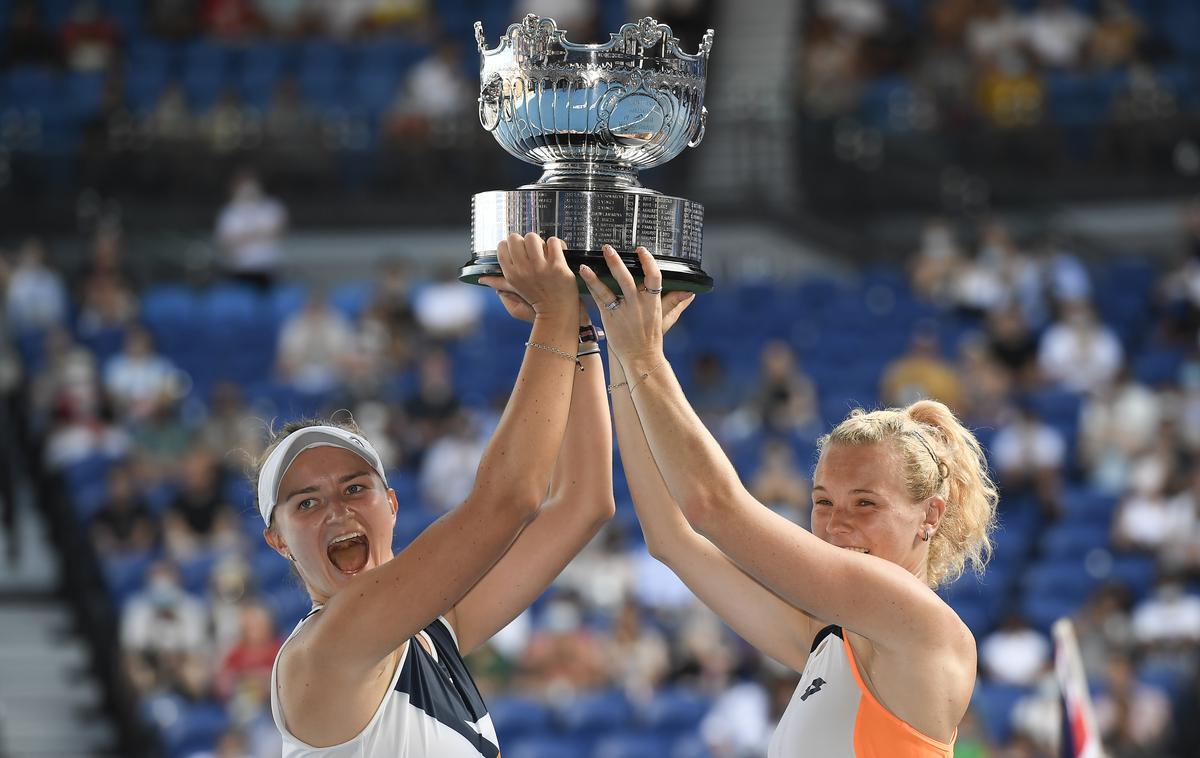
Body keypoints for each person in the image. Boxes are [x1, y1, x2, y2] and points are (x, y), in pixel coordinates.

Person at [580, 244, 998, 756]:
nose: (836, 525)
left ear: (929, 515)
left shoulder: (923, 625)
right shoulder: (826, 641)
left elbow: (712, 507)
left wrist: (645, 358)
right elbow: (672, 539)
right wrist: (622, 358)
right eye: (823, 502)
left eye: (865, 503)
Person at [261, 233, 615, 756]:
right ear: (279, 542)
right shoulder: (324, 650)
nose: (337, 509)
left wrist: (579, 328)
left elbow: (585, 503)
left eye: (356, 488)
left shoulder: (431, 634)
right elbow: (510, 499)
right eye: (306, 503)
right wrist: (553, 315)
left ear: (393, 505)